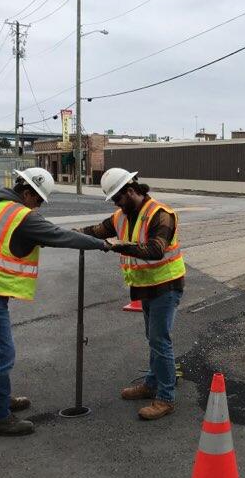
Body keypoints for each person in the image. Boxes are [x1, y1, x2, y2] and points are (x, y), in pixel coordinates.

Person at [0, 168, 115, 437]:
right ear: (27, 193)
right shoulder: (21, 216)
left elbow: (20, 238)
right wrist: (101, 244)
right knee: (1, 355)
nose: (38, 207)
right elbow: (59, 235)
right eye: (38, 201)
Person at [77, 167, 185, 421]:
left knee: (160, 340)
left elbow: (155, 250)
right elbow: (95, 231)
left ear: (131, 190)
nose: (116, 203)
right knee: (153, 338)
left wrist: (118, 246)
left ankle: (166, 397)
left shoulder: (161, 215)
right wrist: (64, 235)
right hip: (146, 286)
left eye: (117, 198)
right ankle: (151, 383)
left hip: (166, 286)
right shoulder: (121, 216)